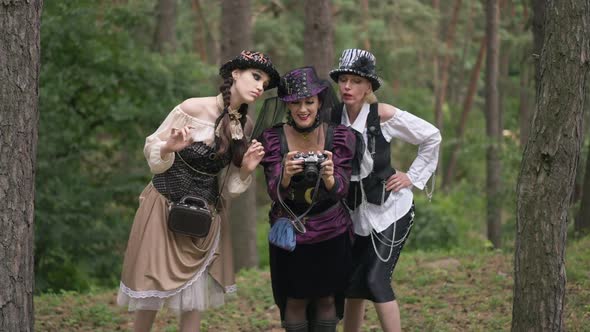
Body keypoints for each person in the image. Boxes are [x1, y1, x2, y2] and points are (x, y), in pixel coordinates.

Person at [117, 50, 280, 332]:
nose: (259, 87)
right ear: (235, 74)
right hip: (163, 209)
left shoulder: (245, 126)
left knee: (193, 300)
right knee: (149, 294)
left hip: (204, 219)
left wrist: (246, 169)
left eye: (264, 85)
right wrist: (169, 148)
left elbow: (228, 189)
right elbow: (152, 150)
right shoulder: (192, 109)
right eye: (255, 77)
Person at [328, 49, 441, 332]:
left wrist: (412, 177)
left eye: (355, 81)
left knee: (376, 281)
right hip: (353, 216)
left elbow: (431, 136)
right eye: (343, 80)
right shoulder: (332, 116)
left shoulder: (384, 115)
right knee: (352, 284)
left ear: (368, 87)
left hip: (391, 210)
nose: (347, 87)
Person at [256, 66, 356, 332]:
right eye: (295, 103)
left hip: (332, 230)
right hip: (291, 236)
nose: (303, 109)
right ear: (286, 106)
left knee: (327, 299)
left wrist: (331, 177)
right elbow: (272, 191)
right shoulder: (273, 139)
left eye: (309, 102)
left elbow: (343, 190)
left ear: (319, 102)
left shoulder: (340, 136)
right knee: (295, 300)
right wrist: (286, 175)